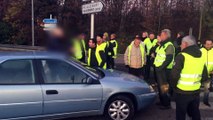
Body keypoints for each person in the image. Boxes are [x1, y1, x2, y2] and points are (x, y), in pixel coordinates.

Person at [171, 36, 208, 120]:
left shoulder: (181, 56)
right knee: (195, 112)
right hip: (195, 91)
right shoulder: (201, 56)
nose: (180, 46)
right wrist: (196, 82)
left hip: (182, 92)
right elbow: (205, 75)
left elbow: (174, 75)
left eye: (181, 44)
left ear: (185, 44)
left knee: (181, 114)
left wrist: (173, 87)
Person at [154, 29, 175, 109]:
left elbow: (169, 58)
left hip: (165, 70)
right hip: (160, 69)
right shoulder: (163, 44)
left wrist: (161, 68)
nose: (160, 36)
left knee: (164, 87)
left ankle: (166, 104)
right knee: (160, 86)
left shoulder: (169, 45)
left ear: (166, 35)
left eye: (162, 35)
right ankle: (162, 100)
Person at [201, 39, 213, 107]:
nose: (208, 45)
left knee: (207, 88)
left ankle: (205, 101)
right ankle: (193, 102)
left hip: (209, 73)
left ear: (212, 44)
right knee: (196, 88)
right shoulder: (200, 51)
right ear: (204, 44)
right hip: (200, 73)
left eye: (210, 44)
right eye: (207, 44)